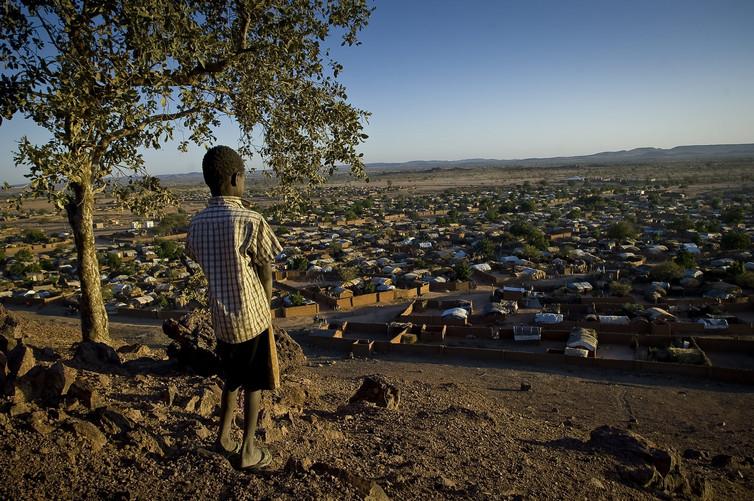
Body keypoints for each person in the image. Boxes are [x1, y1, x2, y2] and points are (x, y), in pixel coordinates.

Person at [185, 145, 282, 471]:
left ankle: (222, 438)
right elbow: (266, 269)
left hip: (222, 318)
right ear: (235, 178)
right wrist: (266, 306)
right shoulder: (250, 219)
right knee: (254, 384)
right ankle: (247, 449)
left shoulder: (197, 224)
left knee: (230, 380)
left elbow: (198, 259)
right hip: (252, 317)